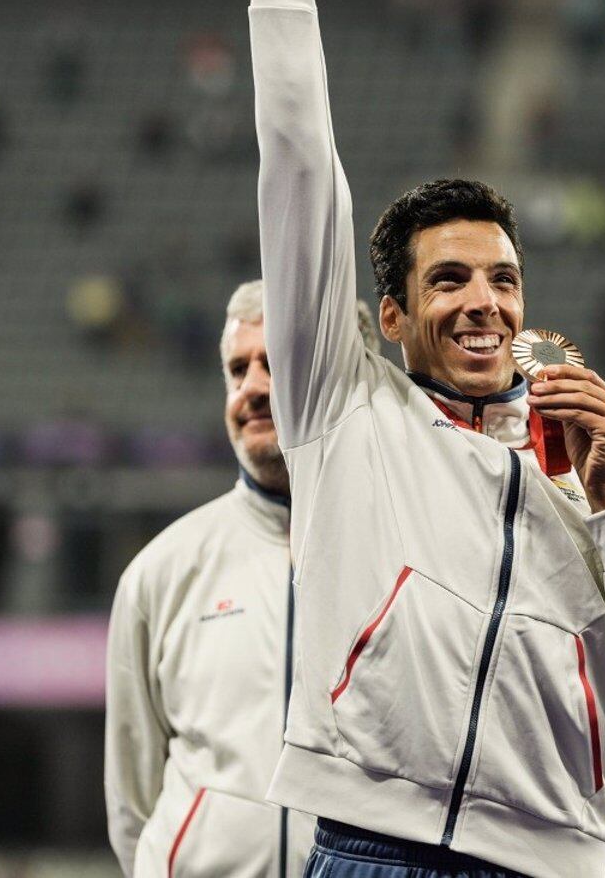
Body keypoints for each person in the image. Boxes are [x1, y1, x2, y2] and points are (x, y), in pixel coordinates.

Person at [227, 0, 605, 878]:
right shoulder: (341, 404)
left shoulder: (594, 479)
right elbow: (298, 170)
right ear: (392, 316)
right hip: (370, 846)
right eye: (446, 279)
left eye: (503, 279)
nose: (482, 302)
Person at [106, 279, 377, 878]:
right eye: (237, 369)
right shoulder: (162, 571)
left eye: (275, 364)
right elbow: (132, 801)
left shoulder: (408, 554)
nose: (251, 388)